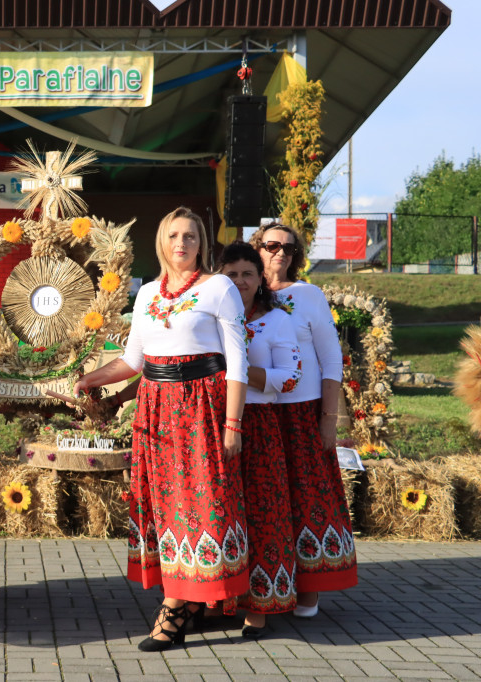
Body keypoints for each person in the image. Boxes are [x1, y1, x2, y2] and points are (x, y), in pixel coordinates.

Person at [74, 207, 249, 652]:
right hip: (155, 410)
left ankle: (176, 606)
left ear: (202, 243)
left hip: (202, 406)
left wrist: (233, 424)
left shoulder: (219, 287)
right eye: (174, 235)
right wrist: (91, 379)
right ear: (161, 241)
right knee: (166, 503)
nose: (182, 244)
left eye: (190, 236)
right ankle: (187, 598)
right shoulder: (148, 292)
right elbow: (134, 361)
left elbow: (237, 362)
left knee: (203, 501)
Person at [251, 222, 357, 616]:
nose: (280, 253)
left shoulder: (308, 295)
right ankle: (263, 586)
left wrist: (328, 418)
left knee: (306, 496)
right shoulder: (240, 293)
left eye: (289, 249)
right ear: (257, 248)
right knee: (266, 502)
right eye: (272, 245)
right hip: (257, 411)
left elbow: (331, 359)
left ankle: (310, 586)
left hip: (301, 412)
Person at [219, 241, 301, 639]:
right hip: (211, 420)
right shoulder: (209, 318)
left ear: (260, 278)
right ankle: (217, 599)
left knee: (263, 513)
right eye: (231, 274)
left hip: (260, 425)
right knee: (220, 512)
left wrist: (238, 369)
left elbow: (289, 377)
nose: (239, 281)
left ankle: (259, 607)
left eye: (247, 273)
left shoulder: (277, 320)